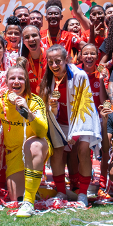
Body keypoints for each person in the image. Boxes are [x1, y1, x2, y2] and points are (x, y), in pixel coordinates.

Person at [0, 59, 51, 217]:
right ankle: (40, 192)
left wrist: (28, 113)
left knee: (34, 144)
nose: (16, 82)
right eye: (12, 78)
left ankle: (29, 202)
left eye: (21, 78)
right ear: (6, 81)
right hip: (14, 153)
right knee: (16, 198)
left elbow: (42, 132)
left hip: (36, 147)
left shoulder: (35, 101)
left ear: (26, 82)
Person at [40, 45, 102, 206]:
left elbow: (85, 105)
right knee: (57, 151)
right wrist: (52, 108)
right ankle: (61, 191)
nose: (54, 65)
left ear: (66, 59)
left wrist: (75, 134)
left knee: (82, 150)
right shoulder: (48, 78)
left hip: (81, 121)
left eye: (58, 61)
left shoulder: (79, 75)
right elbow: (45, 108)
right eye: (51, 61)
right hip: (59, 123)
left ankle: (82, 193)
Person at [77, 43, 111, 196]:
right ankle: (83, 180)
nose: (89, 57)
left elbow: (105, 101)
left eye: (92, 54)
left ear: (97, 57)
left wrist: (103, 81)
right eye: (86, 54)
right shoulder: (75, 70)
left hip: (99, 116)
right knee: (82, 150)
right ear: (80, 56)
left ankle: (103, 182)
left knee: (105, 146)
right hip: (81, 116)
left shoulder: (102, 71)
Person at [21, 25, 47, 89]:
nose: (31, 39)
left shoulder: (50, 56)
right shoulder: (22, 62)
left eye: (34, 35)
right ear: (23, 41)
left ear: (40, 37)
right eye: (27, 37)